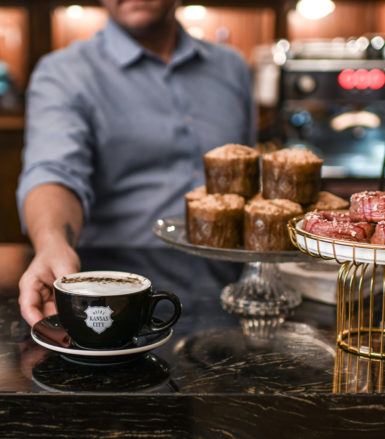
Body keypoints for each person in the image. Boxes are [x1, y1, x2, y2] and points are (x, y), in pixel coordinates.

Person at [16, 0, 256, 327]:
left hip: (229, 287)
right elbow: (55, 171)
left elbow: (248, 180)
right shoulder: (64, 72)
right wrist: (52, 243)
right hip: (119, 295)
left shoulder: (232, 67)